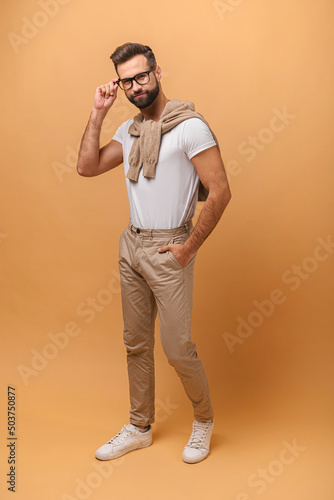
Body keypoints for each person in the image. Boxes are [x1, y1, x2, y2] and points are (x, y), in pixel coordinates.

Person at [76, 42, 231, 464]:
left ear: (158, 72)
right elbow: (87, 167)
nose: (135, 86)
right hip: (132, 245)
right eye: (126, 80)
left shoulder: (190, 126)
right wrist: (98, 112)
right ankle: (139, 427)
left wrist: (188, 248)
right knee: (136, 344)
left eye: (141, 76)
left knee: (178, 348)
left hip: (170, 246)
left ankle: (203, 421)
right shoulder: (129, 131)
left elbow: (220, 191)